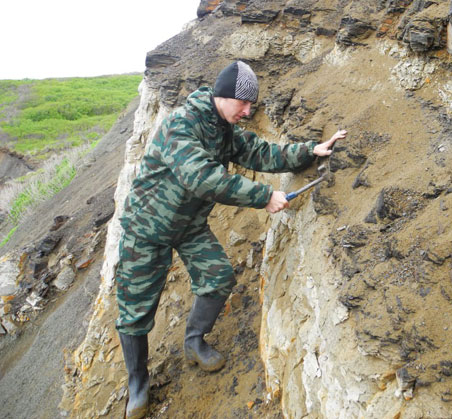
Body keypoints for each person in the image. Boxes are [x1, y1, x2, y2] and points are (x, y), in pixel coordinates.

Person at [114, 60, 346, 419]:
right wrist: (263, 197)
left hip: (188, 224)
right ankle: (138, 385)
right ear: (223, 96)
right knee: (135, 310)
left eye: (251, 105)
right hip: (147, 228)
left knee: (218, 278)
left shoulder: (223, 127)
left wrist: (309, 151)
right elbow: (202, 177)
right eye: (244, 103)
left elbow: (260, 152)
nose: (249, 111)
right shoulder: (182, 126)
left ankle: (194, 343)